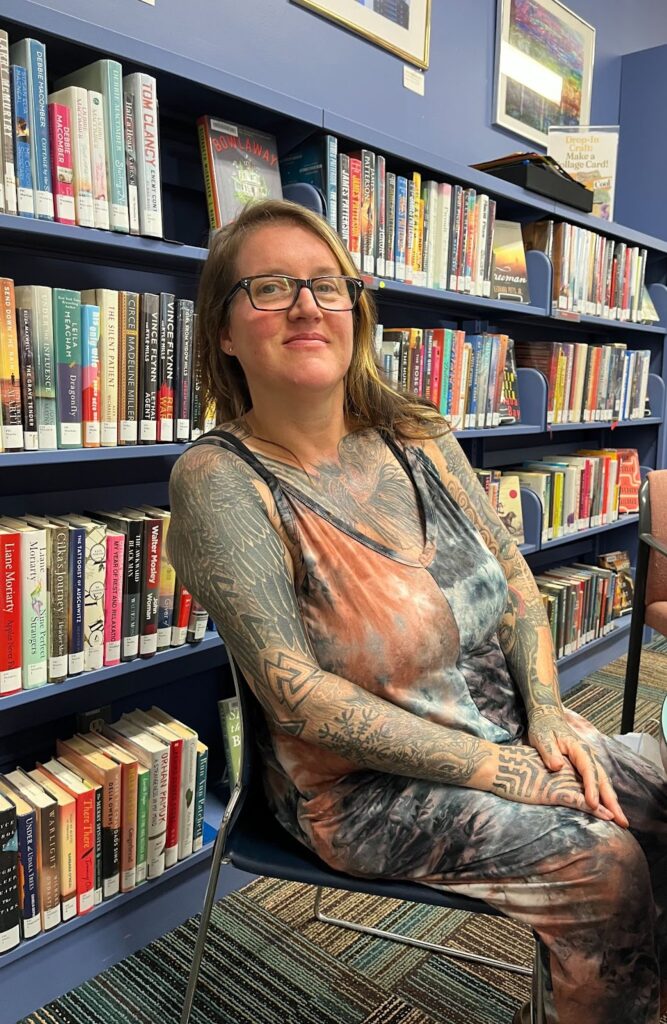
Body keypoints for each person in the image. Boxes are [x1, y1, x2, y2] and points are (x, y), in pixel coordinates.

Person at [168, 198, 666, 1024]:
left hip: (505, 733)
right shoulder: (220, 478)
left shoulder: (418, 434)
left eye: (328, 285)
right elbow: (298, 697)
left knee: (658, 779)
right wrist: (505, 772)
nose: (306, 305)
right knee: (598, 860)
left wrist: (544, 715)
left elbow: (514, 581)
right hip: (361, 790)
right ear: (223, 332)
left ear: (356, 313)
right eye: (270, 287)